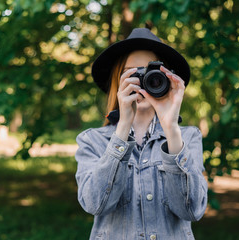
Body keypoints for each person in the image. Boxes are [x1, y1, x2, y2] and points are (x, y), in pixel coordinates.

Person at [75, 28, 208, 240]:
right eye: (133, 73)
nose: (145, 81)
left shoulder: (188, 137)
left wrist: (171, 128)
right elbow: (95, 204)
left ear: (167, 79)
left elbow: (192, 210)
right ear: (118, 82)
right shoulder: (91, 140)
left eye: (151, 73)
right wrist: (123, 126)